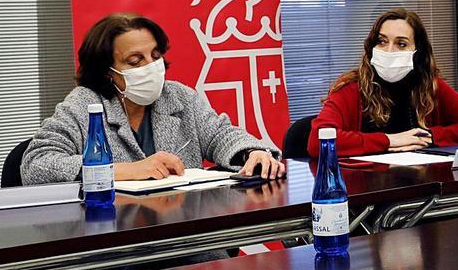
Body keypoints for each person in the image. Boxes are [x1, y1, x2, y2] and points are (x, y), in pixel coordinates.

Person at [22, 13, 284, 185]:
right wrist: (123, 171)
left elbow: (221, 135)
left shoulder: (178, 95)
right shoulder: (84, 104)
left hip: (183, 241)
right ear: (107, 72)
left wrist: (253, 153)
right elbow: (36, 166)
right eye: (136, 61)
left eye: (155, 56)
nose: (151, 66)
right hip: (109, 249)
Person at [308, 8, 458, 157]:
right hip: (366, 191)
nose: (389, 51)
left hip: (421, 185)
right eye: (381, 41)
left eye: (401, 44)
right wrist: (389, 140)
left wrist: (429, 136)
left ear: (417, 53)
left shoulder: (430, 86)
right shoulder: (351, 87)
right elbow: (318, 142)